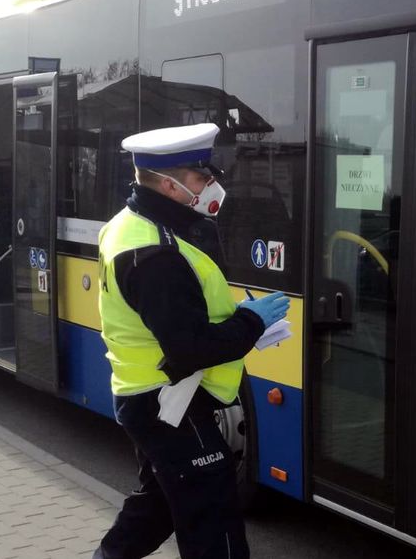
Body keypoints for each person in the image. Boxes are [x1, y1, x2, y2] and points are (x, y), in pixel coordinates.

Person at [94, 123, 290, 559]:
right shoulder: (156, 254)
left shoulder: (130, 226)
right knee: (212, 518)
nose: (212, 186)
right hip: (171, 401)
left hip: (151, 395)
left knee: (162, 500)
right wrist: (250, 324)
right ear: (169, 184)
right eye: (201, 178)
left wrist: (241, 323)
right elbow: (190, 348)